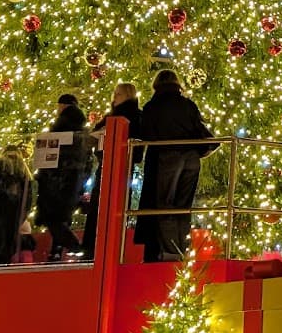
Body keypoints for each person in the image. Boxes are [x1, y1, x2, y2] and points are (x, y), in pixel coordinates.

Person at [136, 70, 217, 262]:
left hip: (167, 156)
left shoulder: (152, 106)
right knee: (183, 206)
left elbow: (147, 135)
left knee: (165, 205)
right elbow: (202, 131)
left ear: (156, 84)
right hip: (191, 157)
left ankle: (170, 252)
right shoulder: (187, 104)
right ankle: (182, 249)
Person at [81, 82, 143, 259]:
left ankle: (94, 246)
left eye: (119, 94)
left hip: (115, 163)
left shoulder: (121, 116)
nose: (114, 98)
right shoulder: (130, 115)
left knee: (102, 205)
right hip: (117, 164)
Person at [34, 95, 91, 260]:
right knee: (62, 217)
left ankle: (73, 245)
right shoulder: (82, 129)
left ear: (63, 106)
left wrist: (44, 174)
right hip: (73, 181)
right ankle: (56, 251)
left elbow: (49, 154)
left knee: (52, 217)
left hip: (56, 180)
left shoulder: (61, 125)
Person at [0, 146, 32, 266]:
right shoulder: (24, 170)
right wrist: (22, 215)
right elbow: (28, 198)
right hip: (14, 214)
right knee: (7, 242)